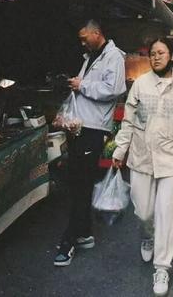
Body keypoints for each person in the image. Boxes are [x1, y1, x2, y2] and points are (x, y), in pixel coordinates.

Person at [112, 38, 173, 297]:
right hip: (141, 157)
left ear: (171, 56)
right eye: (153, 53)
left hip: (171, 158)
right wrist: (120, 150)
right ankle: (147, 234)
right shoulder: (140, 85)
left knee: (167, 213)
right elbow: (128, 122)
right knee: (144, 211)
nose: (156, 57)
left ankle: (162, 267)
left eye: (161, 53)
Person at [54, 19, 126, 266]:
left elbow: (114, 88)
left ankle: (69, 240)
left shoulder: (113, 56)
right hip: (81, 126)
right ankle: (84, 233)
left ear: (97, 33)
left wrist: (82, 85)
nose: (82, 43)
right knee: (78, 182)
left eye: (85, 38)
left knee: (81, 184)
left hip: (94, 128)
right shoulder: (91, 56)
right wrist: (77, 83)